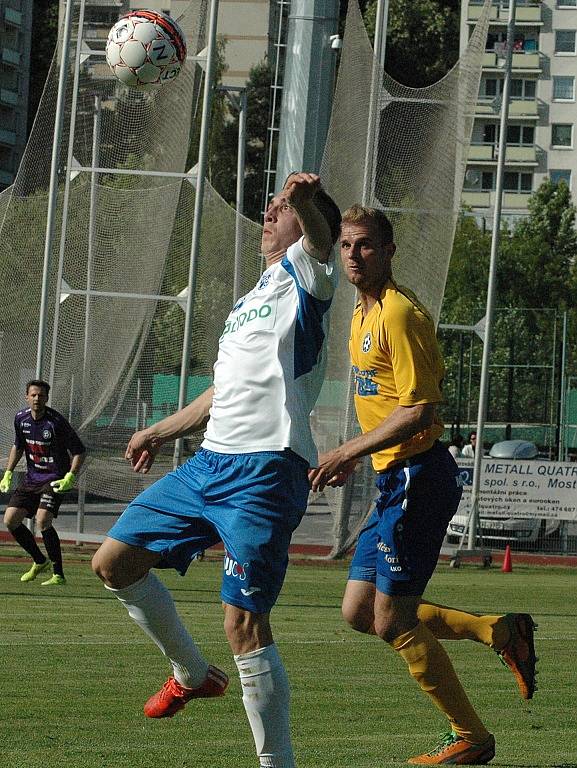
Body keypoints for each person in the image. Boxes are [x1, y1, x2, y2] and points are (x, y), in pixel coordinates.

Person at [91, 172, 341, 768]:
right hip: (208, 465)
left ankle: (276, 764)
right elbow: (221, 394)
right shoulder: (250, 299)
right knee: (112, 562)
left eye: (279, 210)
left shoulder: (309, 273)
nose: (269, 217)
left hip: (265, 469)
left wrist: (306, 202)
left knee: (244, 624)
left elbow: (324, 237)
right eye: (274, 208)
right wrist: (159, 430)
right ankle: (191, 672)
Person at [308, 205, 536, 765]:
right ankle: (498, 631)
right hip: (396, 478)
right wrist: (364, 455)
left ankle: (471, 737)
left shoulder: (399, 314)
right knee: (360, 612)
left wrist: (347, 451)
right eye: (346, 246)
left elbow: (420, 409)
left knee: (392, 618)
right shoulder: (362, 313)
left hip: (419, 475)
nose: (354, 255)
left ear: (388, 251)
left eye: (365, 245)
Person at [0, 379, 86, 585]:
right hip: (32, 479)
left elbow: (79, 451)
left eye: (41, 395)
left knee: (42, 519)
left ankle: (58, 574)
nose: (37, 398)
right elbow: (18, 446)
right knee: (10, 520)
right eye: (34, 395)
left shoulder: (56, 422)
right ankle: (39, 561)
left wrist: (70, 476)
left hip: (55, 478)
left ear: (47, 398)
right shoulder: (21, 419)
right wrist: (8, 472)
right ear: (27, 397)